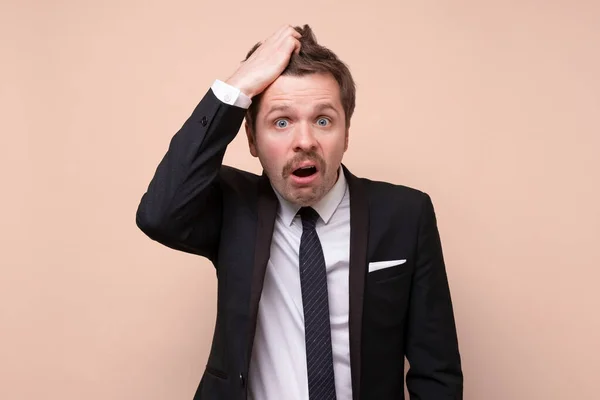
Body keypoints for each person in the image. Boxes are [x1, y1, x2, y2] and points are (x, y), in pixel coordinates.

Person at [136, 24, 463, 400]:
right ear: (252, 140)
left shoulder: (406, 214)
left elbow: (436, 373)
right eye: (281, 122)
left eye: (323, 121)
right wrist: (237, 87)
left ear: (347, 132)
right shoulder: (231, 207)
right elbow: (158, 214)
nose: (304, 141)